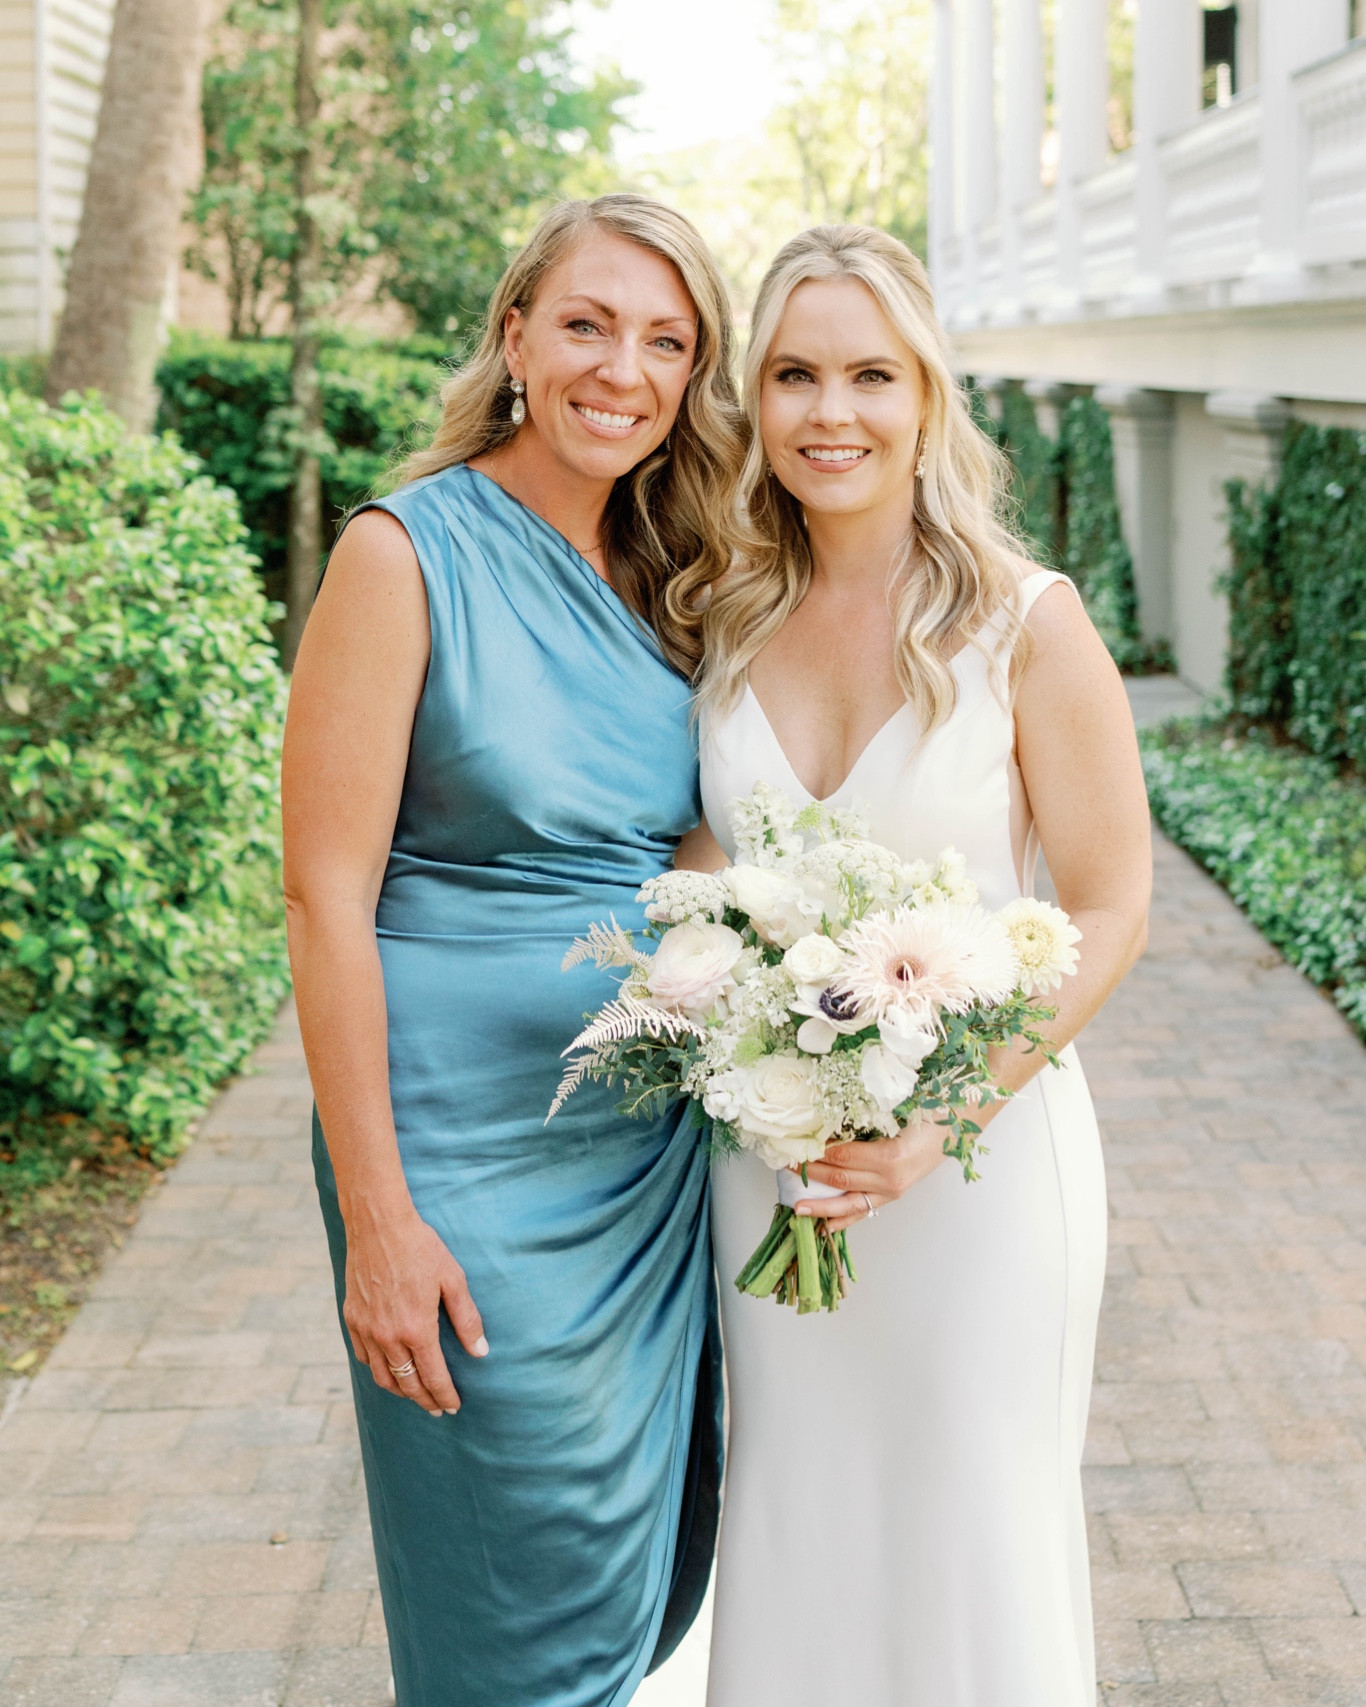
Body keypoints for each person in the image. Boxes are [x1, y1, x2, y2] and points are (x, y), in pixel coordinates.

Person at [282, 194, 747, 1707]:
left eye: (666, 341)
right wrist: (377, 1223)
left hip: (639, 1151)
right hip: (455, 1156)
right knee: (510, 1602)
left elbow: (694, 837)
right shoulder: (401, 551)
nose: (624, 368)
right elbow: (322, 897)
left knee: (633, 1576)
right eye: (588, 323)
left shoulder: (674, 578)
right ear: (515, 338)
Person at [678, 225, 1152, 1706]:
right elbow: (704, 856)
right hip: (777, 1167)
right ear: (754, 402)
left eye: (870, 374)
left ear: (928, 397)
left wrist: (942, 1124)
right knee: (800, 1513)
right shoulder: (718, 615)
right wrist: (722, 987)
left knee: (972, 1527)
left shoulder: (1024, 619)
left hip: (980, 1169)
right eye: (796, 374)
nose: (834, 411)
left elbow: (1113, 900)